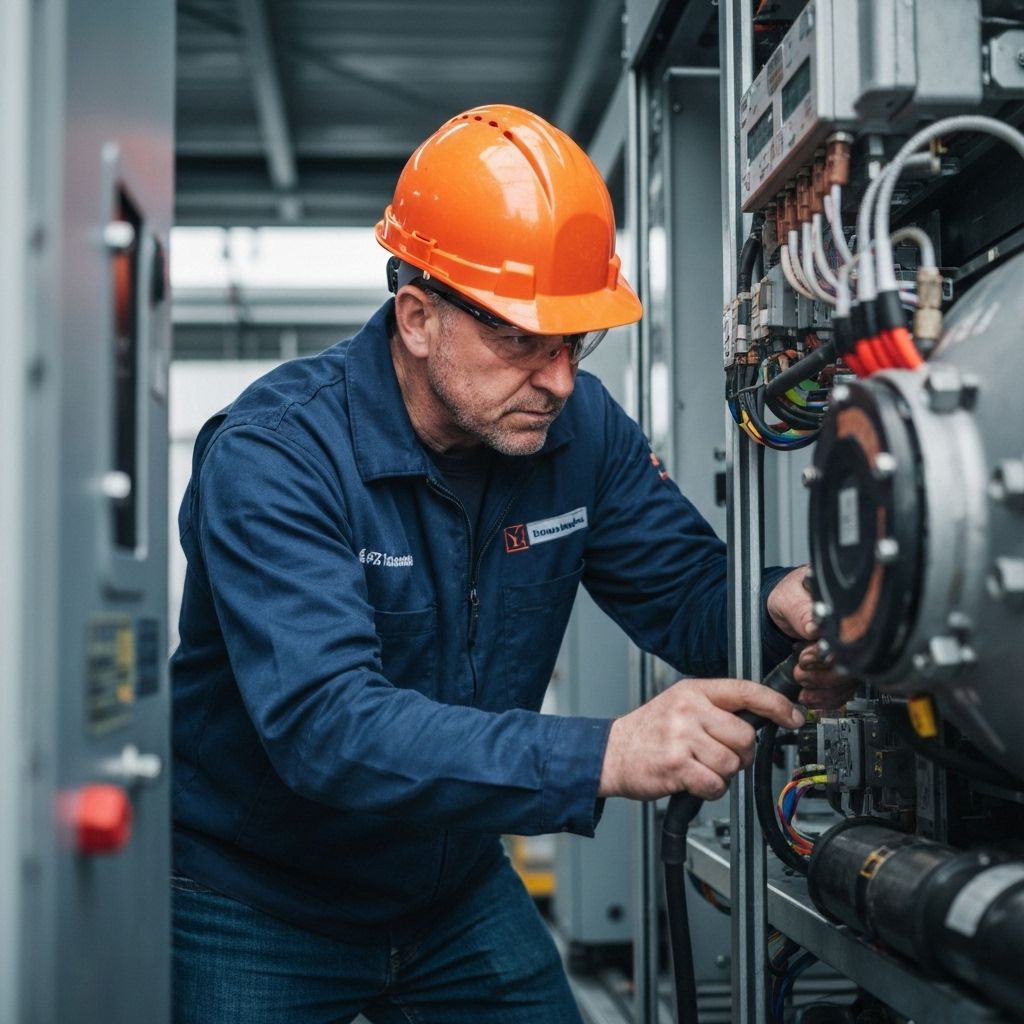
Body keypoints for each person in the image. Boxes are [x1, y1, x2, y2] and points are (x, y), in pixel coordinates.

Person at [170, 104, 850, 1024]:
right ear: (416, 317)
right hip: (257, 902)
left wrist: (784, 609)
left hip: (451, 893)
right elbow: (327, 726)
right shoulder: (278, 455)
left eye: (575, 341)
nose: (560, 379)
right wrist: (607, 751)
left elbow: (686, 591)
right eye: (521, 340)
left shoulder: (578, 430)